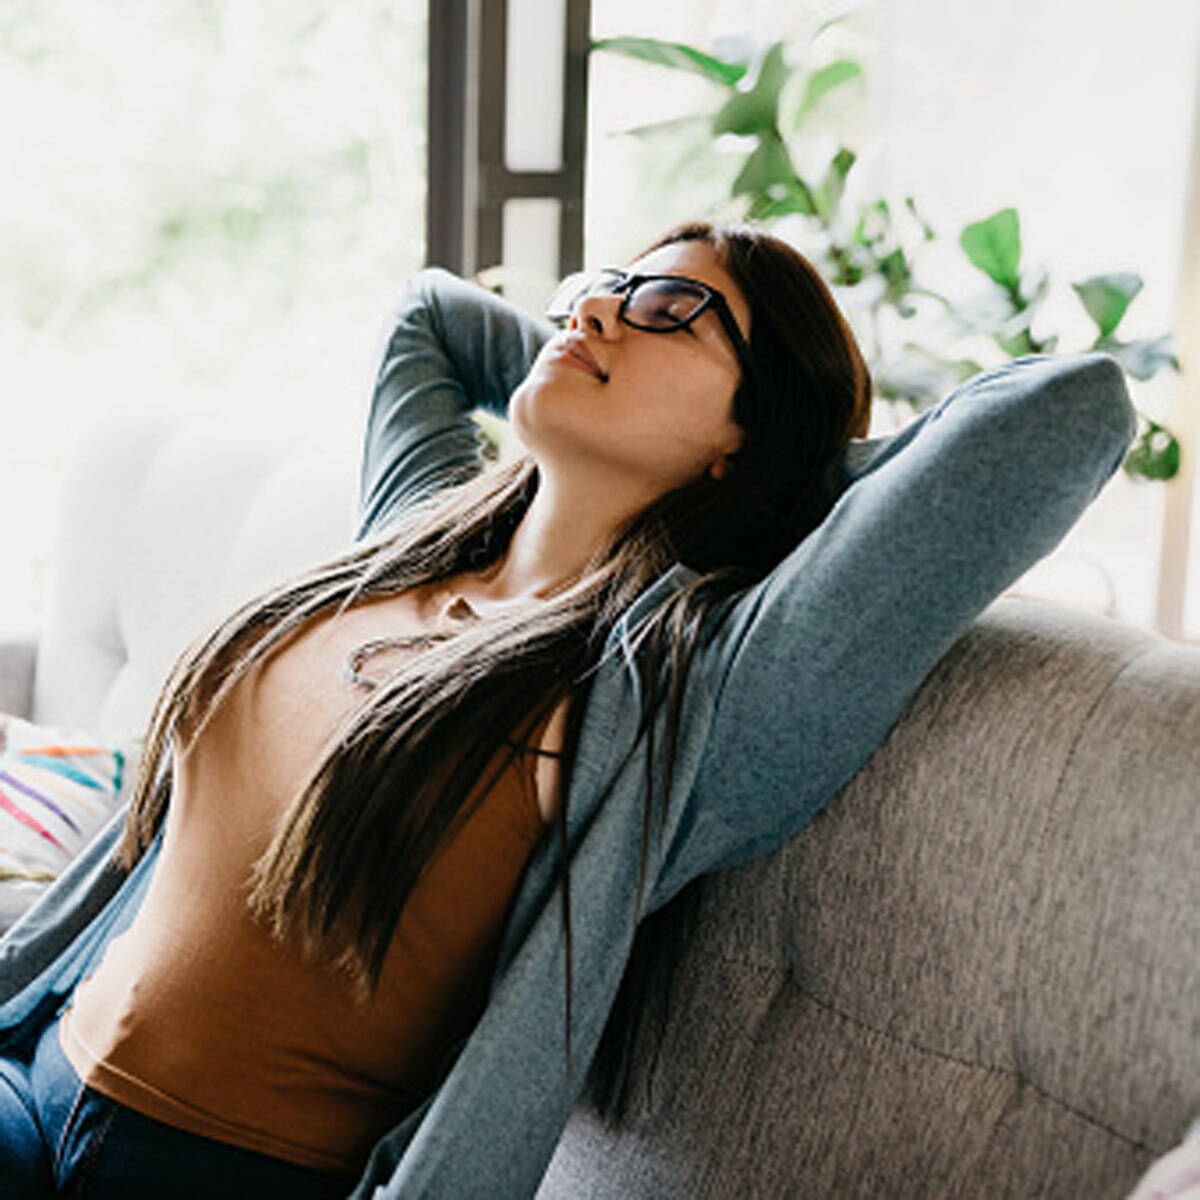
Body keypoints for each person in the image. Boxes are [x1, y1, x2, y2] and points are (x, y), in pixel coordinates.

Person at [0, 220, 1135, 1198]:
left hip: (222, 1171)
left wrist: (799, 470)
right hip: (31, 1065)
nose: (599, 312)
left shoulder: (684, 692)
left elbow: (1065, 413)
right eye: (598, 290)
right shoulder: (416, 530)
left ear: (751, 431)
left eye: (671, 308)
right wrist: (611, 337)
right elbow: (430, 317)